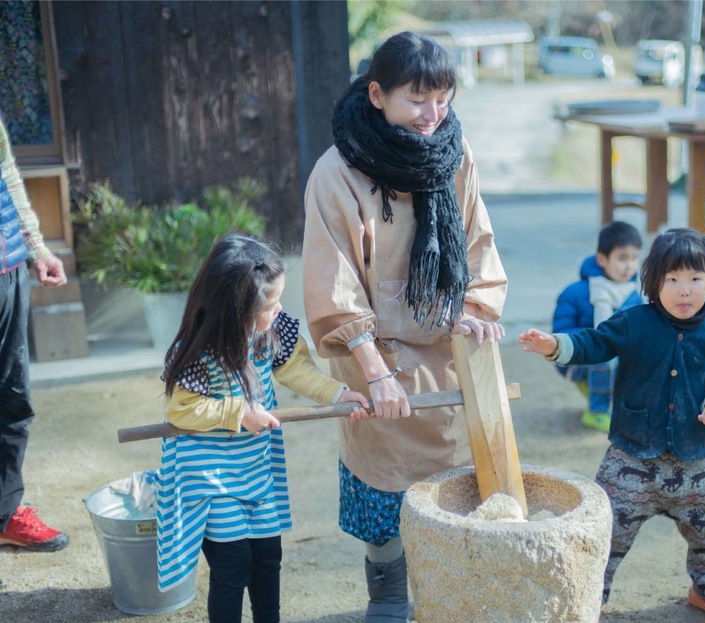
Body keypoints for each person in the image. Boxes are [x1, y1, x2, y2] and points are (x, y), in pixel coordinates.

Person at [302, 32, 507, 622]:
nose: (432, 114)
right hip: (377, 354)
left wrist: (475, 312)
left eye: (442, 98)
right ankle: (388, 596)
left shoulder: (454, 154)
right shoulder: (337, 171)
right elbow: (332, 281)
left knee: (457, 486)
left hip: (447, 352)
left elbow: (478, 243)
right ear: (377, 94)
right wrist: (376, 373)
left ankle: (447, 595)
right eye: (417, 99)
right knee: (382, 488)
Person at [519, 228, 705, 623]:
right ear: (653, 281)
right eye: (671, 279)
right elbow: (595, 342)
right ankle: (588, 595)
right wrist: (556, 346)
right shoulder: (634, 322)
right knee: (605, 534)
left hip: (692, 462)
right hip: (630, 460)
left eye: (694, 278)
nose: (684, 290)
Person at [156, 234, 369, 623]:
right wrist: (238, 413)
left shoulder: (269, 332)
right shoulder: (197, 350)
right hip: (210, 473)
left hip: (253, 466)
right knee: (233, 563)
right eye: (270, 304)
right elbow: (181, 409)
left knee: (268, 555)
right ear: (236, 309)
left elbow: (296, 370)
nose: (279, 308)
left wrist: (336, 394)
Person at [0, 111, 69, 551]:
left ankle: (5, 513)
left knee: (12, 397)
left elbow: (6, 172)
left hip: (7, 266)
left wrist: (36, 246)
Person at [552, 221, 643, 432]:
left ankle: (629, 408)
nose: (629, 266)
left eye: (634, 258)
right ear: (602, 258)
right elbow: (561, 333)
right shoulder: (576, 293)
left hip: (619, 357)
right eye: (622, 258)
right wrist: (596, 340)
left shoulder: (633, 294)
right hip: (578, 359)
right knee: (605, 354)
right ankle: (597, 412)